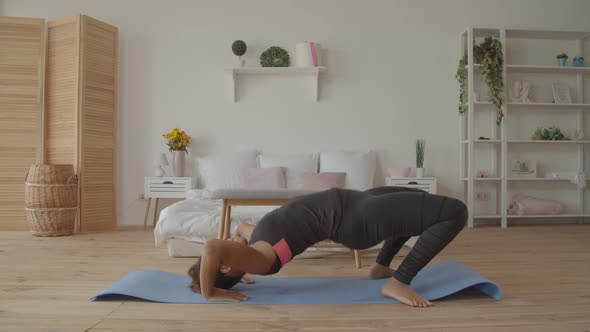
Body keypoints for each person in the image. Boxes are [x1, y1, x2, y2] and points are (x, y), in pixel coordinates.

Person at [188, 186, 467, 307]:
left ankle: (381, 267)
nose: (228, 238)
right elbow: (212, 247)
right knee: (455, 211)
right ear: (226, 264)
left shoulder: (254, 244)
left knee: (420, 200)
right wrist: (210, 292)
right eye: (230, 254)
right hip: (355, 219)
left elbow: (237, 231)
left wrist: (239, 267)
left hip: (354, 202)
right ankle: (399, 281)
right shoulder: (261, 259)